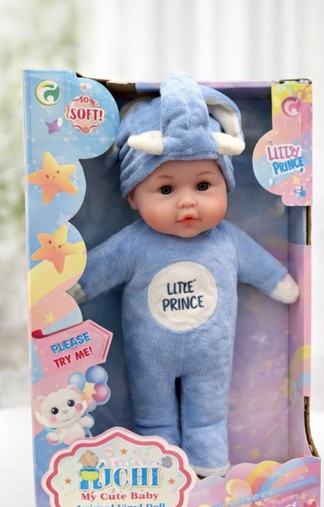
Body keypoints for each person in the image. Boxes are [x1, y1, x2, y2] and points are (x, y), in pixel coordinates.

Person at [74, 72, 299, 477]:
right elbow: (93, 273)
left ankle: (208, 465)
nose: (187, 203)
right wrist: (71, 289)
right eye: (166, 190)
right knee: (153, 416)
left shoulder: (227, 240)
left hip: (211, 354)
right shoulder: (134, 244)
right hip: (150, 355)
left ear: (225, 186)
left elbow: (263, 269)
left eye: (203, 185)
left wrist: (278, 281)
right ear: (133, 197)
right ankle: (160, 470)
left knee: (208, 414)